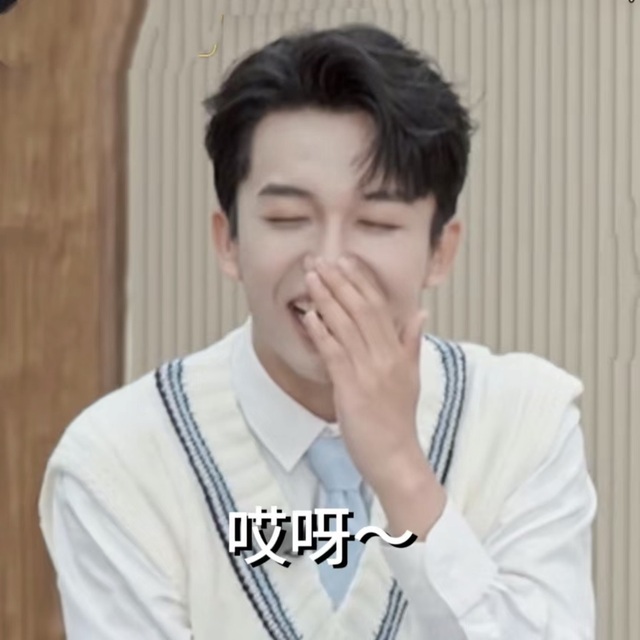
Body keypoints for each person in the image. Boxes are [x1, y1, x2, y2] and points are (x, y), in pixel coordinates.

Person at [38, 23, 597, 639]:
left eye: (377, 222)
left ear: (441, 251)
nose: (327, 264)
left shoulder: (527, 423)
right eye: (287, 218)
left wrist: (400, 469)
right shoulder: (117, 462)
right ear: (228, 241)